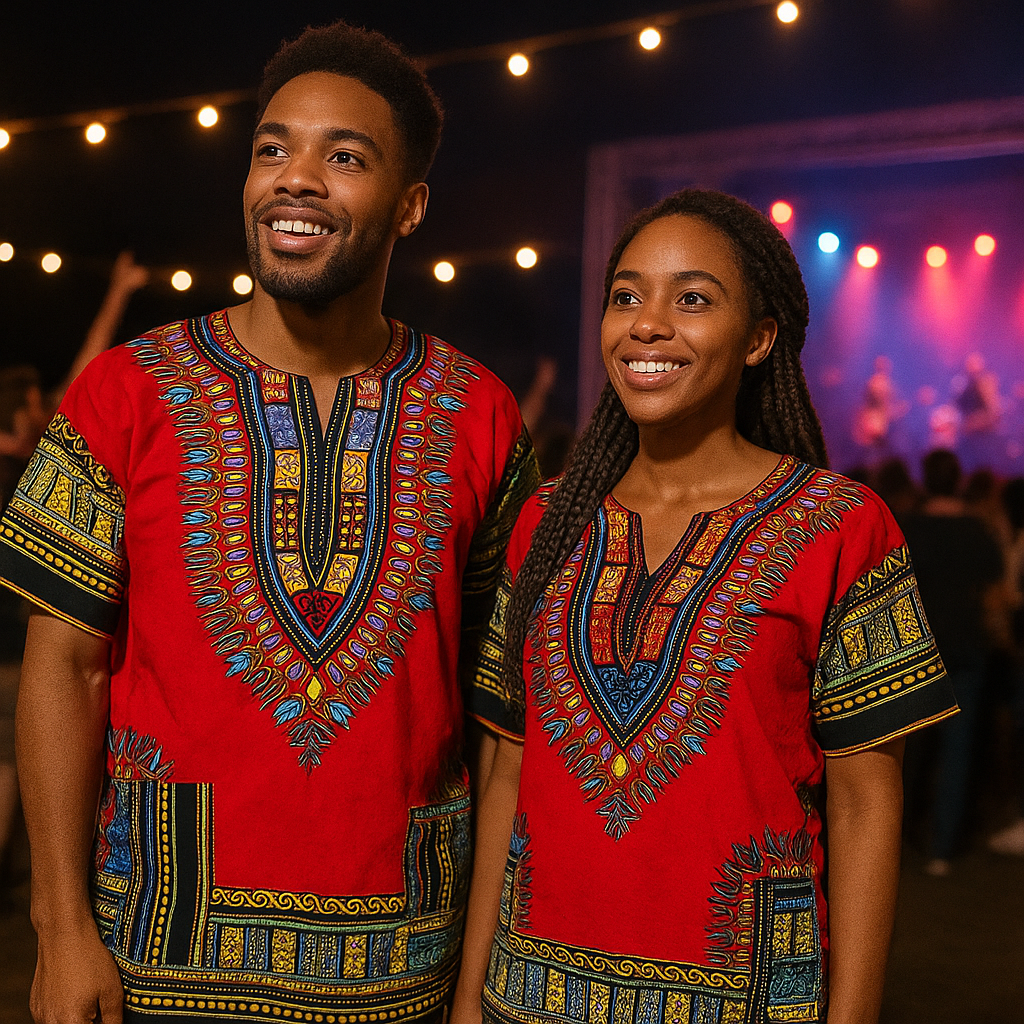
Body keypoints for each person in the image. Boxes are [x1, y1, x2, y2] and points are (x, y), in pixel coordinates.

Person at [0, 21, 538, 1024]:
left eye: (344, 157)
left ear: (409, 204)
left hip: (399, 964)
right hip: (159, 956)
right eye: (272, 148)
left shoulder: (481, 413)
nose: (296, 178)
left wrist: (475, 978)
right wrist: (60, 927)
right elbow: (61, 665)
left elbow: (496, 709)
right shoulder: (125, 393)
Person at [453, 190, 957, 1024]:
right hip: (530, 994)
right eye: (626, 296)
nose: (647, 324)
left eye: (692, 298)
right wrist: (470, 998)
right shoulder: (545, 523)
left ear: (760, 337)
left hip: (745, 999)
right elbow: (509, 767)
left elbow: (867, 803)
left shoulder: (841, 527)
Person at [901, 450, 1003, 875]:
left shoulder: (909, 527)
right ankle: (943, 845)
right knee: (958, 748)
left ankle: (901, 837)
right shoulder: (976, 530)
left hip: (918, 649)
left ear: (925, 478)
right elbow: (993, 592)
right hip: (965, 646)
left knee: (908, 745)